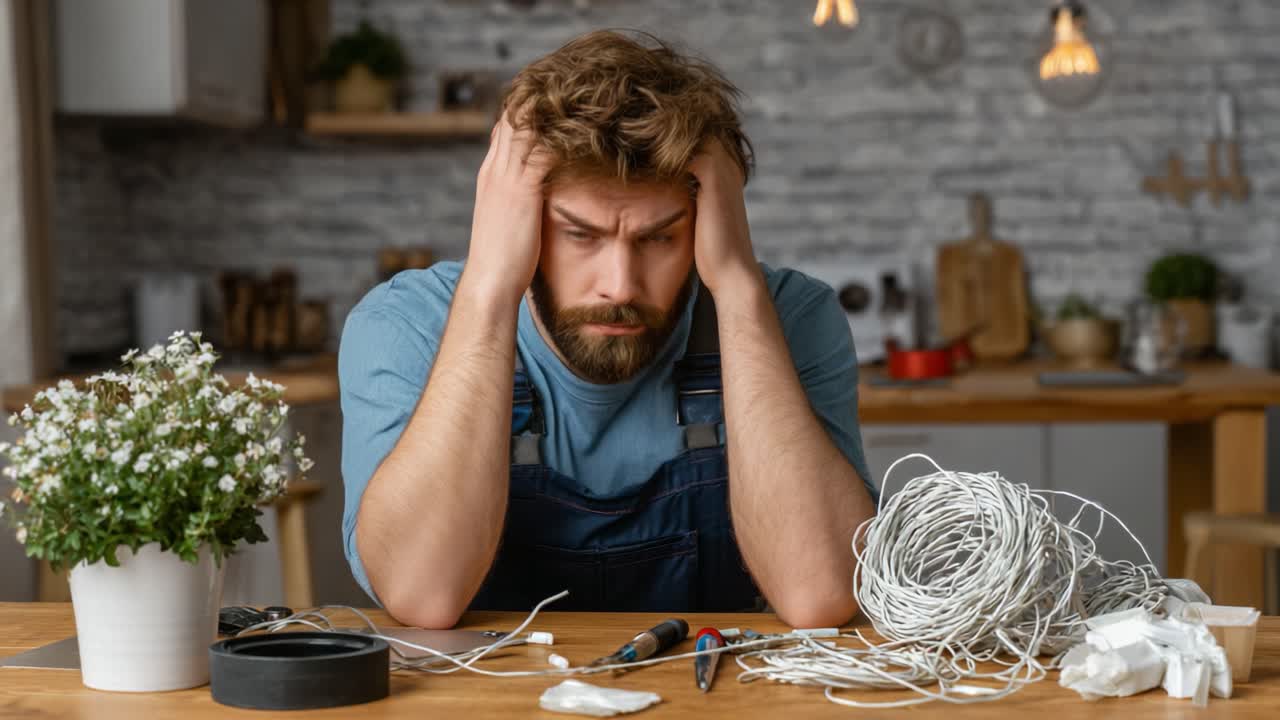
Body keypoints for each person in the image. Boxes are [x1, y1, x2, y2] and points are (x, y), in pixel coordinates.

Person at [338, 29, 878, 630]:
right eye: (580, 234)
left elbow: (821, 595)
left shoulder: (792, 317)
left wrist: (738, 287)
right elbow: (422, 595)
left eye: (659, 237)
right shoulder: (405, 324)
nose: (620, 285)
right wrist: (490, 289)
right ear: (516, 216)